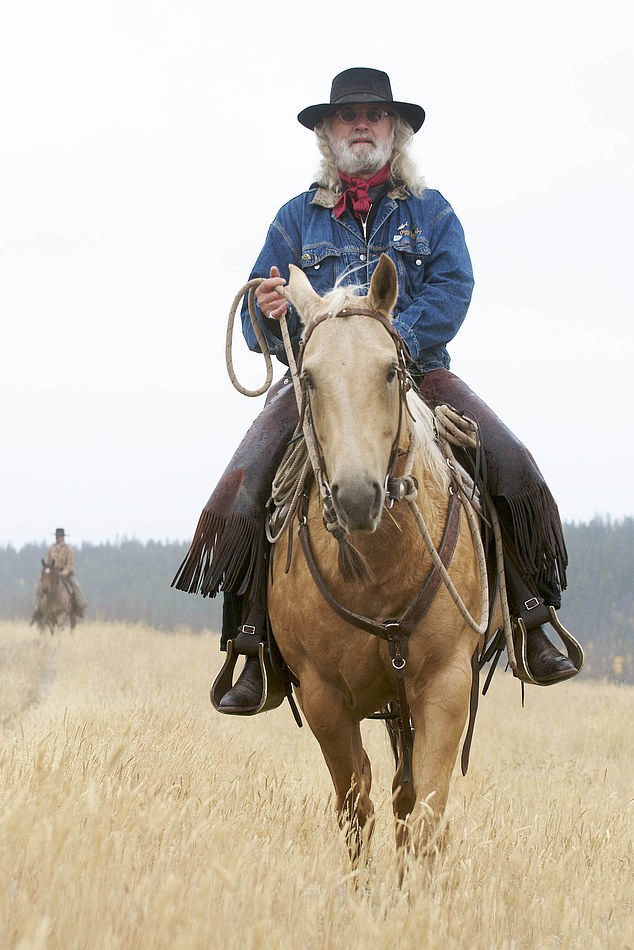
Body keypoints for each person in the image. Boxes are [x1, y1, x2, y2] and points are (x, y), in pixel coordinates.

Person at [174, 67, 581, 713]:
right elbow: (260, 322)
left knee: (508, 459)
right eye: (347, 115)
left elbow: (453, 289)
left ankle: (531, 614)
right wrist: (272, 309)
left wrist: (389, 348)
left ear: (395, 130)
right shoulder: (292, 220)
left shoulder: (433, 211)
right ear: (327, 134)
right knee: (245, 482)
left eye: (373, 114)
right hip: (324, 385)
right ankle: (250, 642)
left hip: (420, 371)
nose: (360, 124)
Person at [47, 527, 87, 618]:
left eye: (60, 536)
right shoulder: (51, 549)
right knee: (41, 586)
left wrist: (64, 572)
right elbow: (49, 562)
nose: (58, 538)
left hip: (65, 573)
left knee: (76, 586)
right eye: (57, 536)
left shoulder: (68, 549)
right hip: (53, 574)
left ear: (63, 537)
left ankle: (80, 607)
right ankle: (39, 609)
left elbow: (70, 563)